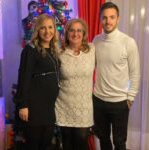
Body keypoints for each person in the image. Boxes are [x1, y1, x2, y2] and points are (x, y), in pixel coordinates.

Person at [93, 2, 140, 150]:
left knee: (119, 143)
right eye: (105, 17)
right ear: (100, 19)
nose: (108, 21)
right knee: (103, 140)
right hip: (99, 100)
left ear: (118, 18)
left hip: (120, 102)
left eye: (112, 17)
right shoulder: (96, 40)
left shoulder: (128, 42)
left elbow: (135, 73)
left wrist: (130, 96)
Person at [14, 13, 60, 150]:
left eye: (50, 27)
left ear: (54, 29)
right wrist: (23, 104)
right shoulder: (30, 50)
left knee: (46, 143)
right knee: (33, 144)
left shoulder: (53, 49)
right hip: (34, 107)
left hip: (49, 107)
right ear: (37, 30)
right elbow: (23, 77)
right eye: (42, 28)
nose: (47, 31)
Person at [55, 18, 95, 150]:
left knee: (81, 141)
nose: (75, 33)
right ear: (66, 33)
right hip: (63, 105)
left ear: (84, 34)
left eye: (79, 31)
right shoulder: (59, 52)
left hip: (84, 107)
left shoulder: (92, 50)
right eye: (72, 30)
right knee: (67, 143)